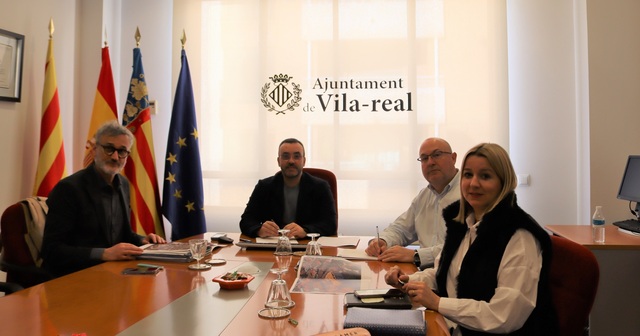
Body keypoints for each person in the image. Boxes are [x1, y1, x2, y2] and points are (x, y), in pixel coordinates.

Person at [385, 143, 558, 335]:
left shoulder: (520, 236)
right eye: (468, 175)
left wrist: (437, 302)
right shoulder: (464, 224)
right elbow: (444, 272)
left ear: (504, 181)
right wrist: (408, 280)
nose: (473, 184)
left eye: (485, 176)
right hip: (454, 326)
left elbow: (503, 316)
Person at [41, 121, 166, 277]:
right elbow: (51, 250)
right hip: (75, 277)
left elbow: (124, 234)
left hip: (112, 274)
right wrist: (104, 254)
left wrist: (142, 240)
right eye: (109, 149)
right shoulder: (68, 189)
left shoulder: (123, 184)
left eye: (122, 151)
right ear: (94, 150)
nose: (115, 157)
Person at [365, 137, 460, 269]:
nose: (430, 162)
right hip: (426, 277)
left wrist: (416, 255)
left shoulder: (470, 194)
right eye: (424, 158)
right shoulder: (424, 196)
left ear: (453, 158)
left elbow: (463, 247)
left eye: (437, 155)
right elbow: (401, 229)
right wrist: (383, 241)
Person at [239, 138, 337, 239]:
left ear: (304, 161)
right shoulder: (264, 186)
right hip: (272, 247)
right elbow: (246, 220)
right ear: (278, 161)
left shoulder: (320, 187)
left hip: (306, 246)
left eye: (297, 156)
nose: (291, 161)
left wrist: (305, 230)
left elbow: (330, 224)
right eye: (285, 156)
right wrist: (259, 229)